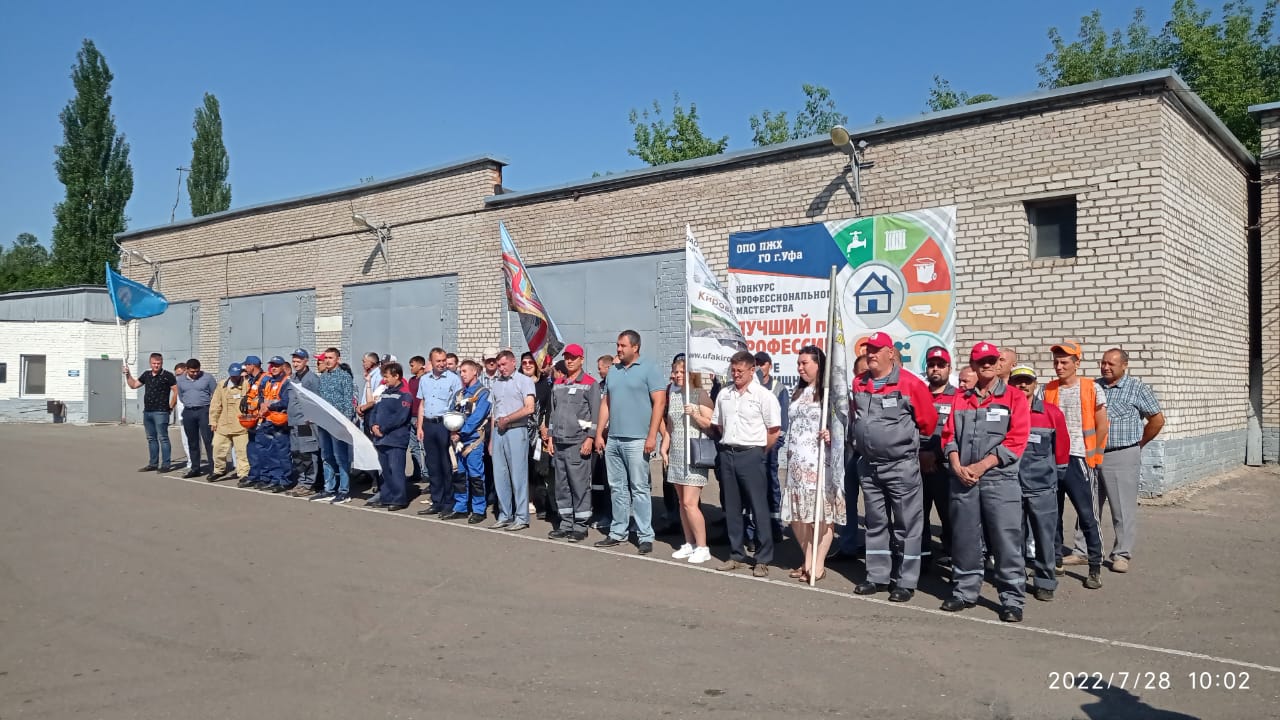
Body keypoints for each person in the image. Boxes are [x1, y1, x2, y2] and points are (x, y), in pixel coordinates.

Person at [940, 341, 1031, 622]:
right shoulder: (961, 398)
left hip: (999, 482)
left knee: (1006, 540)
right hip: (963, 480)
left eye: (992, 360)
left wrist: (981, 466)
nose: (987, 365)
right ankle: (965, 591)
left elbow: (1016, 440)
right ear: (974, 365)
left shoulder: (1014, 398)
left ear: (999, 364)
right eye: (982, 361)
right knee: (965, 539)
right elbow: (948, 435)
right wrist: (955, 464)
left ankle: (1012, 598)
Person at [850, 332, 938, 602]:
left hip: (900, 465)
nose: (871, 354)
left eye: (877, 350)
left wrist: (911, 447)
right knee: (876, 523)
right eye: (868, 350)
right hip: (869, 466)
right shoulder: (859, 383)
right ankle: (876, 575)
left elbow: (928, 421)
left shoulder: (910, 384)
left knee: (906, 525)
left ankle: (905, 580)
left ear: (891, 353)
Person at [594, 331, 667, 554]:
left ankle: (645, 534)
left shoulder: (649, 368)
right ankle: (618, 531)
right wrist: (599, 433)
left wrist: (652, 435)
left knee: (639, 488)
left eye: (623, 345)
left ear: (635, 347)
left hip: (638, 440)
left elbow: (659, 402)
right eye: (617, 345)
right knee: (617, 488)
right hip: (614, 438)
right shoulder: (614, 372)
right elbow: (606, 403)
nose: (618, 349)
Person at [711, 350, 782, 577]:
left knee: (758, 508)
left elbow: (774, 430)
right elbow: (719, 425)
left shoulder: (764, 396)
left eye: (740, 371)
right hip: (728, 453)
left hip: (752, 455)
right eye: (733, 370)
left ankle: (762, 558)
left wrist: (760, 453)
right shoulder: (724, 394)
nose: (736, 374)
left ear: (753, 371)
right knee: (732, 508)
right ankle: (736, 555)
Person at [1042, 341, 1106, 589]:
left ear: (1077, 363)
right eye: (1056, 362)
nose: (1059, 366)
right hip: (1052, 460)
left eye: (1064, 362)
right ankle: (1056, 560)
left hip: (1080, 459)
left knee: (1088, 515)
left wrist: (1095, 457)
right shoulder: (1047, 389)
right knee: (1053, 514)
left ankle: (1094, 566)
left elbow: (1102, 425)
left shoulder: (1091, 388)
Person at [1097, 347, 1164, 573]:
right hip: (1093, 454)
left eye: (1111, 364)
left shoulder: (1137, 389)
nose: (1105, 367)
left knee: (1122, 509)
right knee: (1087, 505)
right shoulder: (1094, 387)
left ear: (1124, 366)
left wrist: (1139, 443)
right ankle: (1083, 550)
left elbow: (1157, 420)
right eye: (1103, 362)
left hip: (1122, 454)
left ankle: (1121, 554)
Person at [783, 346, 845, 583]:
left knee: (820, 517)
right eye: (798, 363)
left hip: (819, 463)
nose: (800, 368)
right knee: (798, 517)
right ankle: (807, 559)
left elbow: (842, 424)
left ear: (819, 365)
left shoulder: (829, 393)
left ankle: (818, 564)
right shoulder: (797, 392)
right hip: (796, 464)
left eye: (805, 363)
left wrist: (832, 434)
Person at [1009, 365, 1071, 601]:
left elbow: (1062, 449)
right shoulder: (1005, 412)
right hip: (1011, 485)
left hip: (1042, 486)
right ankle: (1016, 578)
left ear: (1035, 384)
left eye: (1027, 381)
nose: (1022, 386)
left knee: (1044, 537)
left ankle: (1045, 580)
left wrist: (1056, 477)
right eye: (1017, 382)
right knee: (1014, 535)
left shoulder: (1051, 413)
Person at [661, 355, 713, 563]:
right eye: (676, 372)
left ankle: (703, 546)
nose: (678, 375)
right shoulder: (673, 394)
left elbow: (711, 425)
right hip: (676, 452)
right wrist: (664, 448)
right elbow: (671, 427)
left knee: (691, 503)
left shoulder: (701, 394)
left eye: (682, 372)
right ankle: (689, 542)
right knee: (682, 502)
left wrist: (696, 414)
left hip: (694, 452)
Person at [546, 344, 600, 542]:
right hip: (559, 442)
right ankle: (565, 523)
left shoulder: (590, 383)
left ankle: (580, 525)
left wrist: (590, 438)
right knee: (562, 486)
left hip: (578, 442)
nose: (569, 361)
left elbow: (596, 414)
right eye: (567, 357)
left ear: (581, 359)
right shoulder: (558, 383)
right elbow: (552, 413)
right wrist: (550, 437)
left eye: (574, 357)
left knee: (579, 485)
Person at [435, 359, 491, 523]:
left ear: (475, 372)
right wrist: (451, 429)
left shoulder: (483, 393)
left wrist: (462, 432)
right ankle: (460, 507)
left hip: (473, 441)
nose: (462, 374)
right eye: (461, 372)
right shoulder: (460, 394)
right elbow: (451, 412)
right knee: (459, 474)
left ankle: (479, 510)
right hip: (457, 441)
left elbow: (477, 417)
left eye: (465, 371)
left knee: (475, 476)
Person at [489, 350, 537, 531]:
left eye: (504, 365)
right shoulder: (496, 384)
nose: (501, 369)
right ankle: (505, 514)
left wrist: (508, 419)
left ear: (513, 363)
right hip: (498, 432)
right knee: (500, 476)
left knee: (518, 475)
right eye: (499, 366)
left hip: (517, 430)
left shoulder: (524, 381)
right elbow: (495, 412)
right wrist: (492, 440)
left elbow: (529, 408)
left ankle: (522, 516)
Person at [747, 350, 789, 548]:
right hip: (750, 447)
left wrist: (771, 445)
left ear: (769, 366)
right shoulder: (747, 387)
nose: (758, 367)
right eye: (755, 364)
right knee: (751, 489)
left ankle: (775, 526)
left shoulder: (778, 388)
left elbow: (782, 424)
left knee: (771, 485)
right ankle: (751, 530)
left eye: (762, 364)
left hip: (769, 447)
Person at [920, 346, 957, 567]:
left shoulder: (958, 397)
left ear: (948, 368)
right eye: (932, 365)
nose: (936, 369)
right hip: (917, 466)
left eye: (941, 365)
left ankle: (954, 558)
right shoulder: (918, 393)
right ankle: (922, 558)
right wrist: (920, 455)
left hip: (944, 467)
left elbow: (955, 431)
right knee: (918, 517)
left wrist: (934, 455)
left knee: (950, 516)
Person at [831, 353, 869, 561]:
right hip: (849, 453)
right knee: (846, 501)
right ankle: (847, 546)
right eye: (860, 372)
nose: (864, 376)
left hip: (870, 456)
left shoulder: (876, 395)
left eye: (867, 372)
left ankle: (875, 549)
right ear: (854, 374)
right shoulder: (844, 397)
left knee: (874, 505)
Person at [416, 348, 463, 515]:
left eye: (444, 360)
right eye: (438, 361)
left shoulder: (453, 379)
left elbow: (459, 405)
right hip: (429, 424)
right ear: (431, 362)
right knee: (433, 465)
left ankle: (449, 502)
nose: (442, 364)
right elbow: (422, 404)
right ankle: (436, 501)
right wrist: (420, 427)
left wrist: (454, 429)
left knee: (446, 464)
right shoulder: (424, 380)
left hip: (445, 425)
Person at [311, 348, 357, 504]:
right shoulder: (323, 377)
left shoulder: (344, 377)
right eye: (326, 358)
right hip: (324, 422)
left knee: (341, 457)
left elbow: (348, 402)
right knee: (326, 456)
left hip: (338, 423)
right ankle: (329, 488)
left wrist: (345, 422)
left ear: (338, 359)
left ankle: (344, 490)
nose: (327, 361)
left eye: (331, 358)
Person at [368, 362, 413, 511]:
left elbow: (400, 417)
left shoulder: (405, 395)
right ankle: (386, 497)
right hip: (381, 438)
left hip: (395, 439)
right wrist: (373, 425)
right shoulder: (384, 393)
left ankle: (399, 499)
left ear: (396, 376)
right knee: (385, 470)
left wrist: (384, 429)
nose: (384, 380)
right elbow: (375, 410)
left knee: (396, 469)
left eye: (386, 377)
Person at [125, 353, 178, 472]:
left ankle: (166, 465)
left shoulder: (167, 376)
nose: (156, 366)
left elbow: (176, 391)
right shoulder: (146, 374)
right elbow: (133, 385)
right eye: (154, 363)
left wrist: (171, 407)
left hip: (161, 412)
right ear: (150, 363)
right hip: (148, 411)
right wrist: (127, 374)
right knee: (151, 438)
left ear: (162, 363)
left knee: (163, 438)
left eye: (158, 363)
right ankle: (153, 463)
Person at [521, 351, 555, 522]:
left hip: (538, 434)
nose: (527, 365)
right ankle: (522, 502)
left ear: (536, 366)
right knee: (521, 469)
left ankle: (541, 504)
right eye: (524, 362)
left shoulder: (544, 386)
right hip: (520, 432)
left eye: (530, 362)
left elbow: (549, 409)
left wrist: (546, 428)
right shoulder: (517, 383)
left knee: (539, 470)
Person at [253, 357, 294, 492]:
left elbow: (286, 402)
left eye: (277, 365)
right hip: (268, 421)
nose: (274, 368)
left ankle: (285, 480)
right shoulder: (269, 381)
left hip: (280, 422)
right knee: (270, 453)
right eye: (272, 365)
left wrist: (269, 407)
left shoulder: (286, 382)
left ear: (283, 367)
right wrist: (261, 404)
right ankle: (275, 478)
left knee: (282, 453)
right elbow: (262, 397)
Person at [285, 349, 322, 497]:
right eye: (294, 361)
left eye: (298, 361)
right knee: (297, 454)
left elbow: (318, 400)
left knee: (307, 453)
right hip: (293, 422)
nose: (295, 364)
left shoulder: (312, 379)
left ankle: (309, 484)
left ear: (306, 361)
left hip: (305, 423)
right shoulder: (293, 378)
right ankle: (301, 481)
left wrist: (312, 416)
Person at [208, 362, 250, 483]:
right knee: (217, 447)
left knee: (242, 451)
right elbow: (215, 404)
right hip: (223, 424)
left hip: (241, 425)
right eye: (233, 375)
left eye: (237, 375)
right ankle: (219, 470)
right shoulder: (222, 385)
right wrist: (213, 421)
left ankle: (243, 473)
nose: (235, 378)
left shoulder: (247, 385)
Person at [174, 358, 217, 478]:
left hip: (204, 410)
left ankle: (214, 468)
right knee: (192, 442)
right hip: (189, 411)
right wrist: (190, 403)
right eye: (192, 372)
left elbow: (216, 394)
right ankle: (195, 468)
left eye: (197, 371)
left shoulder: (208, 378)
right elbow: (181, 396)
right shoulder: (180, 380)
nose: (195, 374)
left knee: (209, 440)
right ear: (186, 370)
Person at [591, 354, 616, 531]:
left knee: (620, 483)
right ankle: (606, 513)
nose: (598, 370)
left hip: (616, 437)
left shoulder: (618, 387)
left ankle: (623, 517)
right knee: (605, 481)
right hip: (602, 439)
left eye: (600, 367)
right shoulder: (599, 387)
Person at [236, 357, 265, 488]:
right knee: (252, 449)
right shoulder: (252, 379)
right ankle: (254, 475)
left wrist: (255, 402)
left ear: (252, 365)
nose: (245, 368)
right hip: (252, 420)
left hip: (262, 420)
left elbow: (266, 397)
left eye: (246, 366)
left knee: (260, 450)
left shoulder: (264, 378)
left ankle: (262, 476)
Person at [406, 355, 429, 488]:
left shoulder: (425, 380)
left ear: (421, 366)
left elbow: (424, 399)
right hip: (411, 416)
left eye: (412, 365)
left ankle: (426, 472)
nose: (411, 367)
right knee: (413, 447)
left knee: (423, 447)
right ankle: (417, 471)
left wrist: (421, 418)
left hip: (420, 417)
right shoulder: (411, 380)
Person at [172, 362, 191, 470]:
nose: (178, 377)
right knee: (185, 440)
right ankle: (190, 461)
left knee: (195, 440)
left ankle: (195, 462)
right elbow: (176, 397)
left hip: (193, 415)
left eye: (180, 374)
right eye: (176, 375)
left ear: (186, 371)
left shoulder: (191, 383)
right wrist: (171, 407)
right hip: (182, 416)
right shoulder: (179, 385)